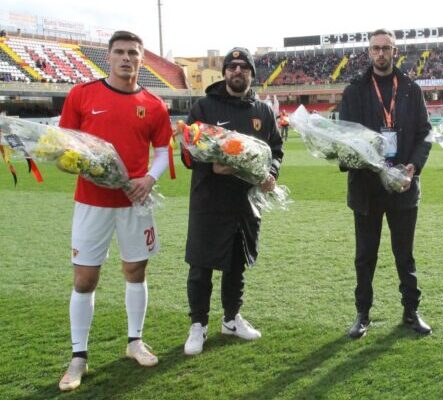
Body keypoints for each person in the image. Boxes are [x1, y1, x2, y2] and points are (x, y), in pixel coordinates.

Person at [58, 30, 173, 391]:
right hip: (91, 202)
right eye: (120, 52)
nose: (126, 58)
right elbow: (64, 145)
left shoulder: (154, 104)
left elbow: (163, 151)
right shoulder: (82, 94)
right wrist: (72, 163)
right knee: (85, 278)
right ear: (109, 57)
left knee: (136, 271)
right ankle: (78, 357)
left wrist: (149, 181)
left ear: (142, 60)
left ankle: (134, 341)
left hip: (135, 203)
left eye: (133, 53)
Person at [182, 47, 283, 355]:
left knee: (236, 264)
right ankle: (198, 325)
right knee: (201, 266)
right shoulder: (204, 106)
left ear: (252, 74)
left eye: (244, 67)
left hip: (245, 201)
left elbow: (275, 150)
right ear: (224, 72)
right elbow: (188, 151)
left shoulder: (263, 111)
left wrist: (271, 173)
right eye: (232, 67)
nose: (237, 71)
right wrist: (210, 165)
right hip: (209, 200)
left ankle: (231, 319)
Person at [339, 28, 433, 339]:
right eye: (376, 48)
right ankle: (362, 314)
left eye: (386, 48)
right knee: (365, 255)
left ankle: (411, 311)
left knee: (404, 255)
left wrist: (412, 168)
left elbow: (424, 135)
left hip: (403, 187)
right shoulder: (354, 91)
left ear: (395, 51)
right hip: (367, 189)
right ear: (369, 52)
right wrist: (374, 167)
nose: (381, 53)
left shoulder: (410, 88)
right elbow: (346, 141)